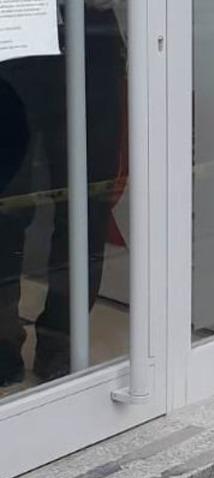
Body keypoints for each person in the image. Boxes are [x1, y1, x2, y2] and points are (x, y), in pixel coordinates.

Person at [0, 0, 126, 387]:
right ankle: (3, 344)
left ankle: (62, 341)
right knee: (7, 207)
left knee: (87, 204)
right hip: (14, 40)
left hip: (91, 39)